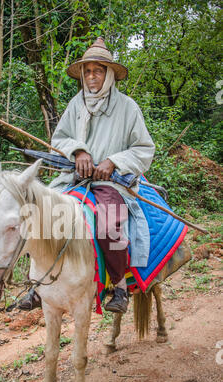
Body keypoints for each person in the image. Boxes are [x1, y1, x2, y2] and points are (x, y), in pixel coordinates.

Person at [18, 37, 155, 313]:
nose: (92, 76)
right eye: (88, 71)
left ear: (109, 74)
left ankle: (118, 286)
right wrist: (78, 152)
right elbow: (60, 139)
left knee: (110, 220)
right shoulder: (75, 104)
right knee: (43, 213)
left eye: (98, 70)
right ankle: (37, 283)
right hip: (74, 180)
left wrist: (114, 161)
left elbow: (144, 148)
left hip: (111, 184)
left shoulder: (128, 108)